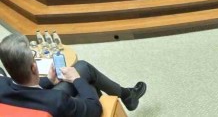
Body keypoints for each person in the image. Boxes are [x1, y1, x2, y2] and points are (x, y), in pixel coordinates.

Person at [0, 34, 147, 116]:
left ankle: (127, 96)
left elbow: (25, 90)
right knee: (86, 83)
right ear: (33, 67)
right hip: (51, 108)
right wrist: (77, 79)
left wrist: (50, 80)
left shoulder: (2, 85)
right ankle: (127, 96)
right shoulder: (58, 100)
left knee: (83, 67)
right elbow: (95, 108)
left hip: (32, 103)